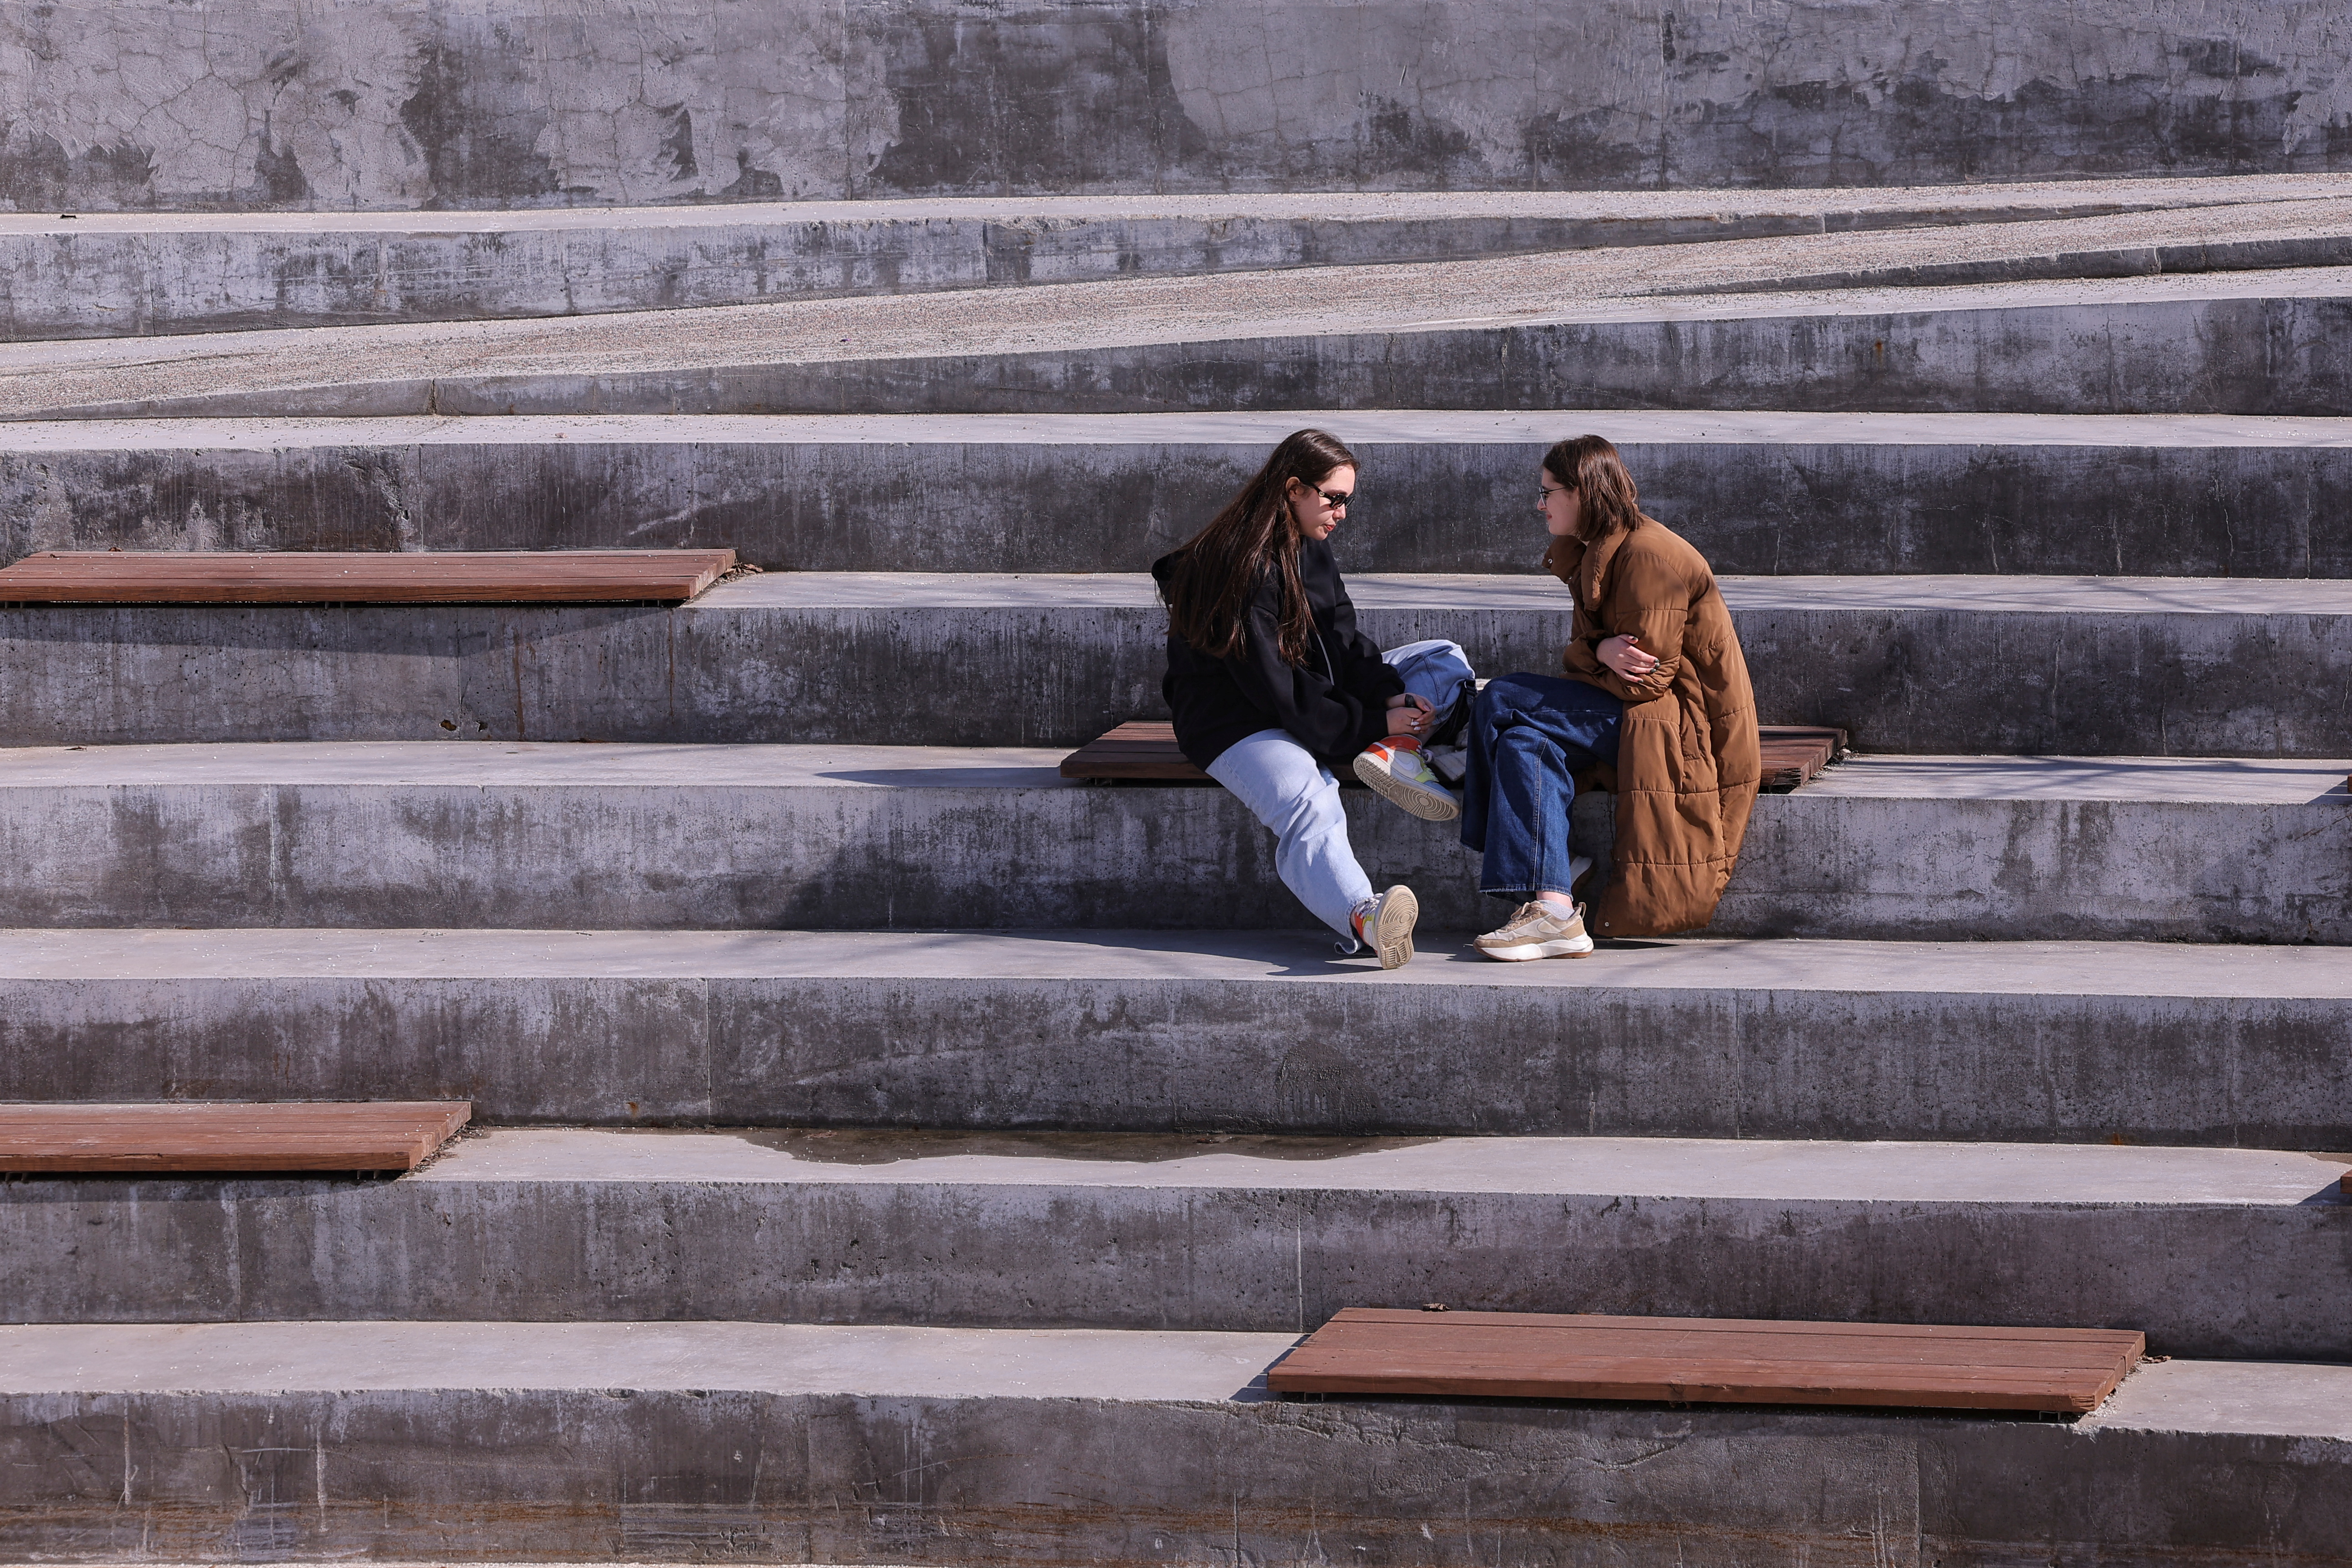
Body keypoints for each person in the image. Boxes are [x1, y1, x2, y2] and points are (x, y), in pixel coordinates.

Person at [1154, 429, 1472, 968]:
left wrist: (1391, 696)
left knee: (1440, 657)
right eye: (1334, 498)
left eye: (1348, 499)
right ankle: (1366, 915)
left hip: (1314, 699)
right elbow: (1279, 694)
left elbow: (1345, 641)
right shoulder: (1239, 571)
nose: (1342, 512)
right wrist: (1370, 717)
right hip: (1240, 722)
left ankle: (1396, 748)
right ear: (1293, 489)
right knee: (1310, 795)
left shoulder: (1310, 547)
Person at [1457, 435, 1761, 960]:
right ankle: (1554, 905)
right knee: (1523, 744)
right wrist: (1598, 648)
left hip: (1674, 726)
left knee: (1501, 699)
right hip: (1637, 714)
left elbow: (1644, 680)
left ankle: (1456, 775)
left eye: (1547, 491)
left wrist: (1593, 653)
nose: (1540, 503)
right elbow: (1584, 655)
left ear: (1580, 493)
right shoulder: (1599, 551)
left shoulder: (1650, 558)